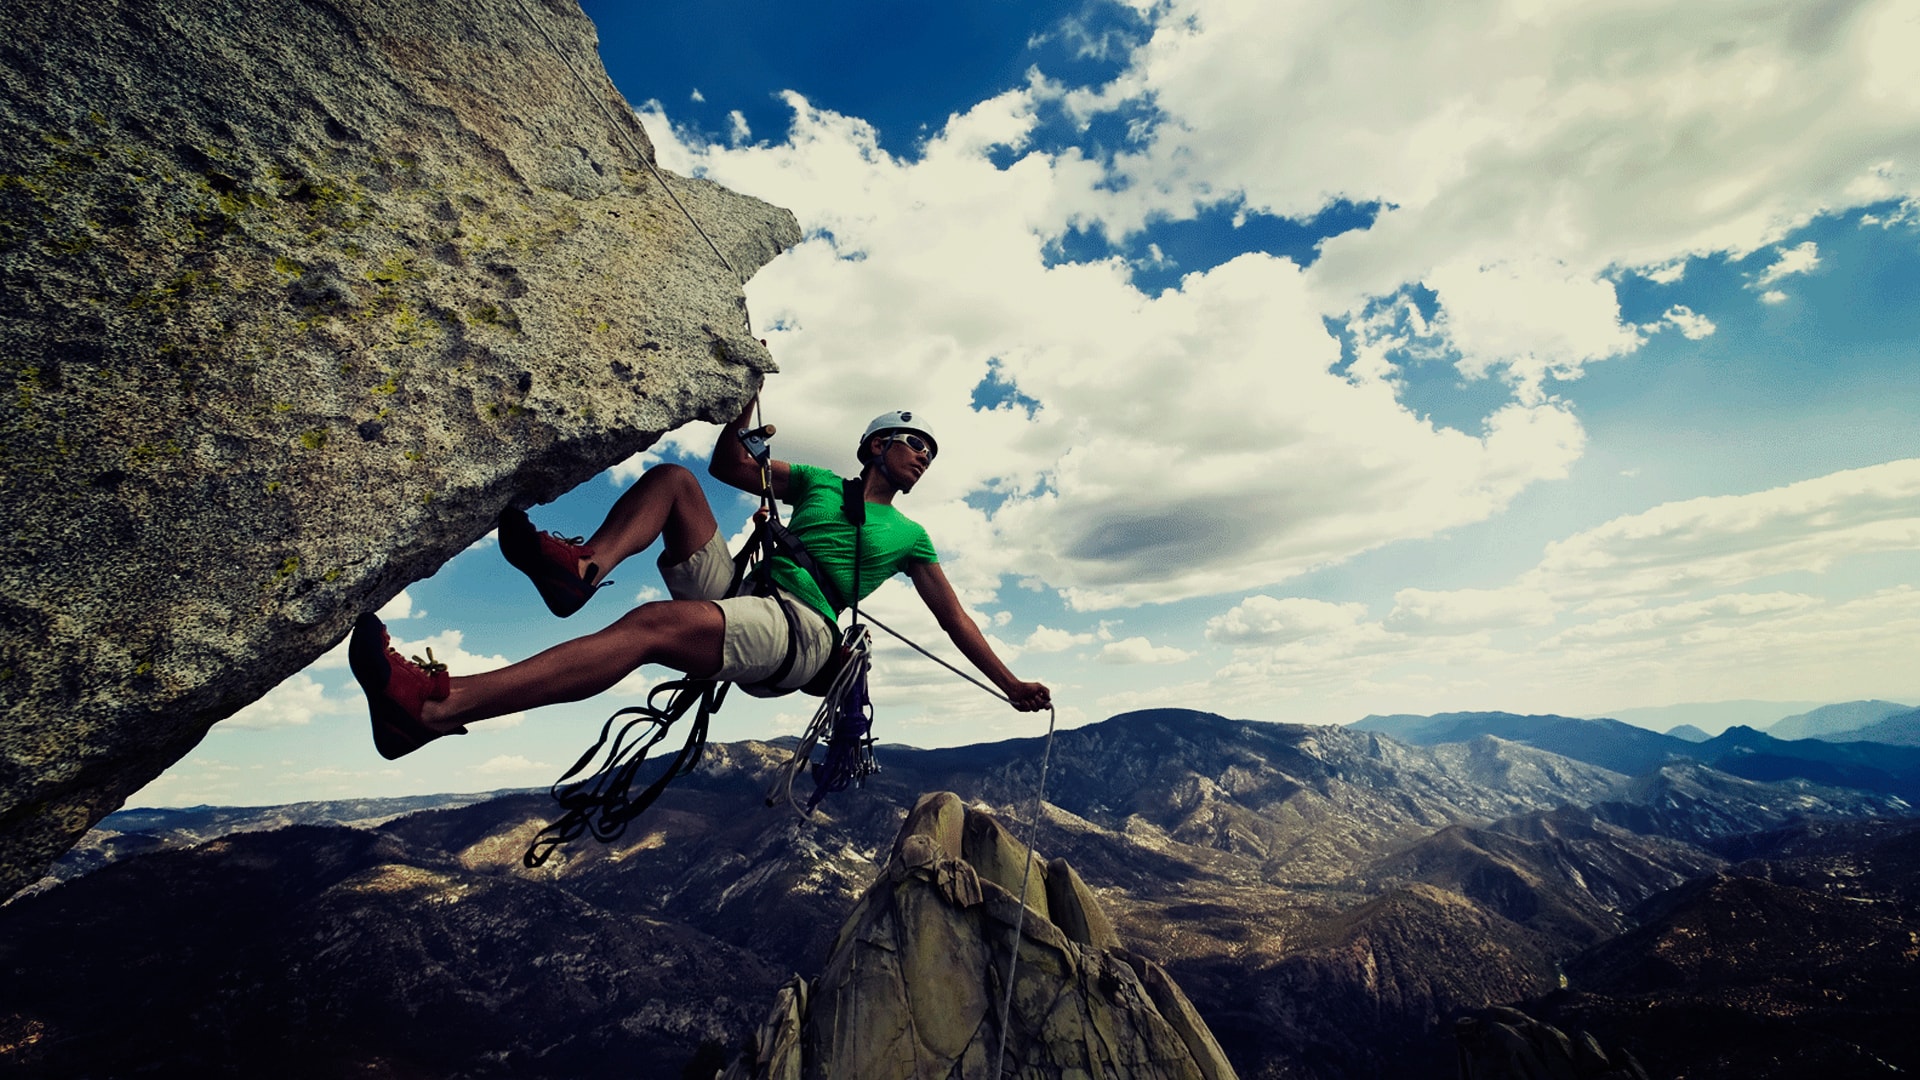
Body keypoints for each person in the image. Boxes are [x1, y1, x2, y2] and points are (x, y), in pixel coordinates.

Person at [350, 397, 1052, 760]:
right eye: (913, 443)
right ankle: (583, 570)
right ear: (875, 446)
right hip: (749, 599)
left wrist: (1009, 683)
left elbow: (954, 619)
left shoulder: (912, 537)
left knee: (651, 627)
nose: (923, 456)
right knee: (677, 482)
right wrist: (742, 410)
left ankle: (438, 709)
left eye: (931, 452)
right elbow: (727, 468)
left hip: (801, 631)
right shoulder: (812, 482)